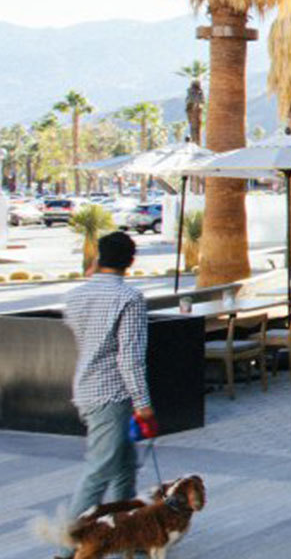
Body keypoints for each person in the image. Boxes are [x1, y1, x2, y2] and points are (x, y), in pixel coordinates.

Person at [59, 232, 155, 542]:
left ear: (98, 257)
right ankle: (67, 545)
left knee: (125, 465)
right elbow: (130, 357)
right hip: (113, 395)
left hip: (86, 387)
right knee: (99, 470)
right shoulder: (129, 298)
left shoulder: (75, 297)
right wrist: (143, 403)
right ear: (130, 261)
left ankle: (124, 532)